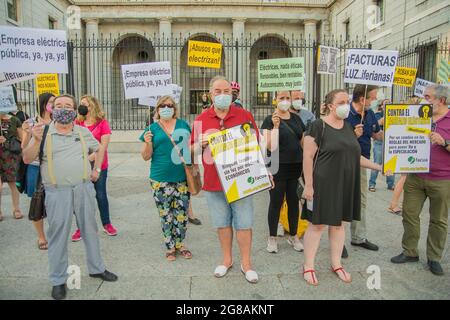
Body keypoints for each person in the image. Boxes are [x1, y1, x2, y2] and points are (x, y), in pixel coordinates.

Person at [22, 94, 118, 300]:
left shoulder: (82, 132)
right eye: (58, 105)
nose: (63, 109)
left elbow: (99, 148)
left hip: (83, 188)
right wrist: (35, 139)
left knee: (90, 230)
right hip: (57, 192)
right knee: (58, 235)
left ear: (75, 111)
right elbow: (27, 158)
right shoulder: (44, 132)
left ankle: (96, 268)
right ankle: (58, 280)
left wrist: (97, 170)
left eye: (67, 106)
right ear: (51, 109)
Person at [301, 89, 389, 286]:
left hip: (345, 183)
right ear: (330, 105)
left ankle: (336, 263)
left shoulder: (349, 127)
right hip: (323, 184)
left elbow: (354, 156)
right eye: (341, 102)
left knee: (339, 224)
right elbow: (307, 156)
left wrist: (379, 167)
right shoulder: (317, 126)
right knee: (317, 225)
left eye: (347, 101)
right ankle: (308, 266)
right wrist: (309, 185)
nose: (345, 105)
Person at [190, 76, 260, 283]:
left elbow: (255, 145)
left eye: (227, 91)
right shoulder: (201, 120)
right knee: (222, 224)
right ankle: (227, 259)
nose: (223, 95)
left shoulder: (244, 115)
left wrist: (262, 175)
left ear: (233, 94)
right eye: (218, 91)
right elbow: (190, 152)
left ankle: (246, 264)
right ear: (210, 95)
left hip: (241, 180)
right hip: (214, 182)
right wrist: (200, 144)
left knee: (244, 224)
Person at [391, 84, 450, 276]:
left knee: (438, 220)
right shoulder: (417, 115)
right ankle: (410, 251)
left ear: (440, 100)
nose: (423, 100)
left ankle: (434, 258)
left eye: (428, 97)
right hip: (416, 176)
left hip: (442, 178)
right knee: (409, 214)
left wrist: (445, 142)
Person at [140, 95, 193, 261]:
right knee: (166, 214)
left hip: (181, 177)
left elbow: (190, 148)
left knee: (181, 213)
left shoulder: (184, 125)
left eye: (170, 105)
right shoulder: (152, 129)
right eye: (163, 105)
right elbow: (145, 157)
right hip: (160, 178)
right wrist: (148, 143)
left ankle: (181, 244)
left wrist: (194, 168)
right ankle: (170, 247)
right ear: (157, 109)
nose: (166, 108)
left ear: (174, 108)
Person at [262, 90, 305, 253]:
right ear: (275, 100)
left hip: (295, 167)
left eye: (288, 98)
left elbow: (303, 141)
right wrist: (276, 127)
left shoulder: (296, 118)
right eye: (282, 98)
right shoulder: (269, 120)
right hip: (277, 167)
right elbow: (269, 145)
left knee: (294, 202)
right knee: (276, 202)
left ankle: (294, 236)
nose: (285, 101)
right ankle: (272, 237)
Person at [71, 95, 117, 241]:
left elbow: (103, 146)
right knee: (80, 197)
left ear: (93, 106)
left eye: (85, 104)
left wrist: (93, 163)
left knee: (100, 195)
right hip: (79, 166)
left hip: (99, 164)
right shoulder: (77, 123)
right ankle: (81, 227)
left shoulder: (103, 123)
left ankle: (107, 224)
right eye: (81, 104)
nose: (82, 106)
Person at [344, 84, 383, 253]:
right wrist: (353, 135)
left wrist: (397, 129)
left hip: (362, 163)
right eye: (373, 97)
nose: (375, 100)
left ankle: (359, 238)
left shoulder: (370, 114)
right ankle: (338, 243)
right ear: (362, 99)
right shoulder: (345, 114)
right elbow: (337, 141)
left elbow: (376, 134)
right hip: (343, 164)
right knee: (341, 201)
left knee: (361, 200)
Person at [21, 93, 55, 249]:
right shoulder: (31, 122)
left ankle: (55, 233)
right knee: (37, 202)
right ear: (43, 105)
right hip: (36, 167)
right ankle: (41, 237)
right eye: (51, 103)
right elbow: (23, 147)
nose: (54, 105)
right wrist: (28, 133)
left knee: (55, 202)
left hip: (54, 167)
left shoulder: (59, 121)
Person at [0, 111, 23, 221]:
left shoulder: (14, 120)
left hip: (10, 155)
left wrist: (7, 141)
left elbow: (22, 139)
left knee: (13, 183)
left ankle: (16, 209)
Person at [369, 99, 395, 192]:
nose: (388, 104)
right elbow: (376, 125)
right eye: (386, 103)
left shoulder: (394, 114)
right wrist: (383, 119)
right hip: (379, 142)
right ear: (382, 106)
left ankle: (391, 184)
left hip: (391, 141)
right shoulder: (377, 115)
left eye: (390, 103)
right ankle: (372, 184)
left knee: (391, 163)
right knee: (377, 163)